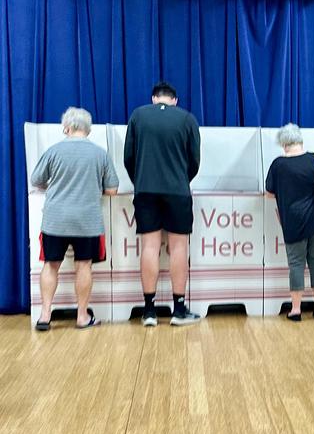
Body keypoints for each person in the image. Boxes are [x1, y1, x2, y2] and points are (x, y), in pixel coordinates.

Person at [31, 107, 119, 330]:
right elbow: (112, 189)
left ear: (67, 127)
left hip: (55, 220)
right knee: (84, 266)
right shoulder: (100, 154)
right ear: (88, 130)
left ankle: (44, 316)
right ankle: (81, 316)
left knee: (51, 265)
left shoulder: (53, 151)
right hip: (87, 221)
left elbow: (36, 180)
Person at [124, 81, 201, 327]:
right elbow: (195, 160)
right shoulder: (187, 119)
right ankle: (179, 309)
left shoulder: (138, 115)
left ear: (154, 98)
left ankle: (149, 311)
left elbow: (129, 157)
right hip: (177, 190)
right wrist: (180, 179)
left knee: (150, 246)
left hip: (145, 188)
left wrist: (141, 180)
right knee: (178, 247)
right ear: (175, 100)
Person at [265, 123, 314, 322]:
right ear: (300, 140)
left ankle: (296, 309)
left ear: (283, 144)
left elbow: (269, 192)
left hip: (293, 220)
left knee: (296, 264)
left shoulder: (278, 165)